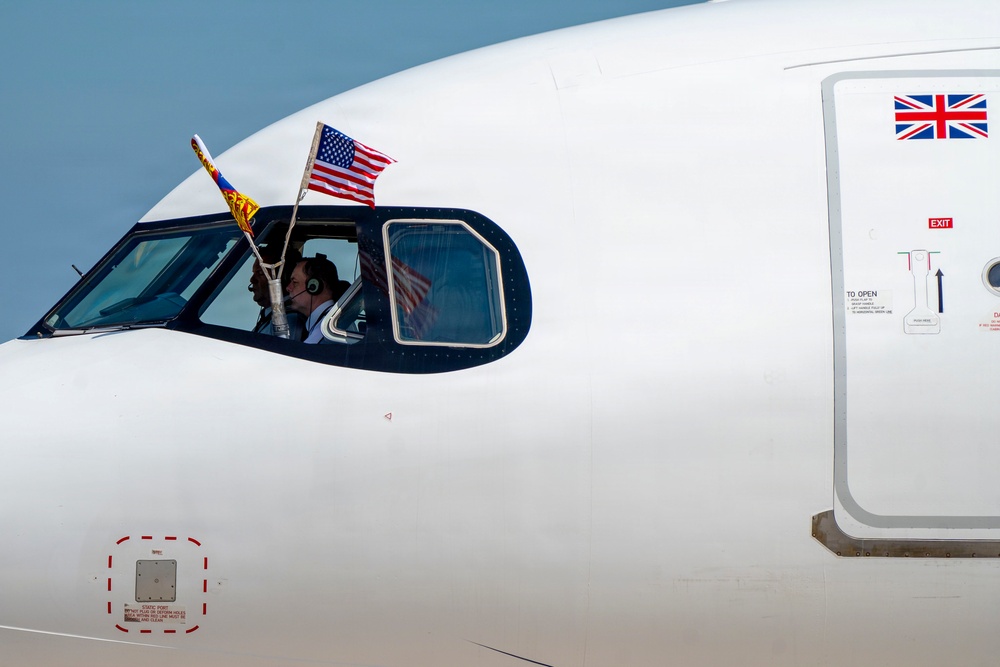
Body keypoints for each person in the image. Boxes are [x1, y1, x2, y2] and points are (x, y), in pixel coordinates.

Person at [286, 255, 350, 344]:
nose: (288, 288)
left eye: (295, 282)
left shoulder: (327, 330)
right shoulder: (329, 322)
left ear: (314, 287)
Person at [250, 245, 303, 340]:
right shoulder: (269, 317)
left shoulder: (287, 320)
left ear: (284, 277)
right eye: (254, 273)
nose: (252, 280)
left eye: (261, 273)